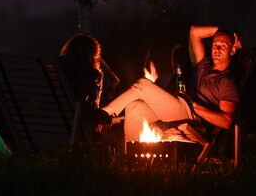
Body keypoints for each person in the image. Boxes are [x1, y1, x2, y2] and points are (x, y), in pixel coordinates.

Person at [101, 25, 241, 141]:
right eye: (215, 44)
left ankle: (104, 113)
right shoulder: (202, 65)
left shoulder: (227, 82)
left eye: (223, 45)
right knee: (135, 106)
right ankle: (134, 156)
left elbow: (226, 121)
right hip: (180, 105)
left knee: (144, 85)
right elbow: (194, 31)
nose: (217, 49)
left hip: (192, 114)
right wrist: (224, 31)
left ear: (233, 50)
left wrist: (196, 107)